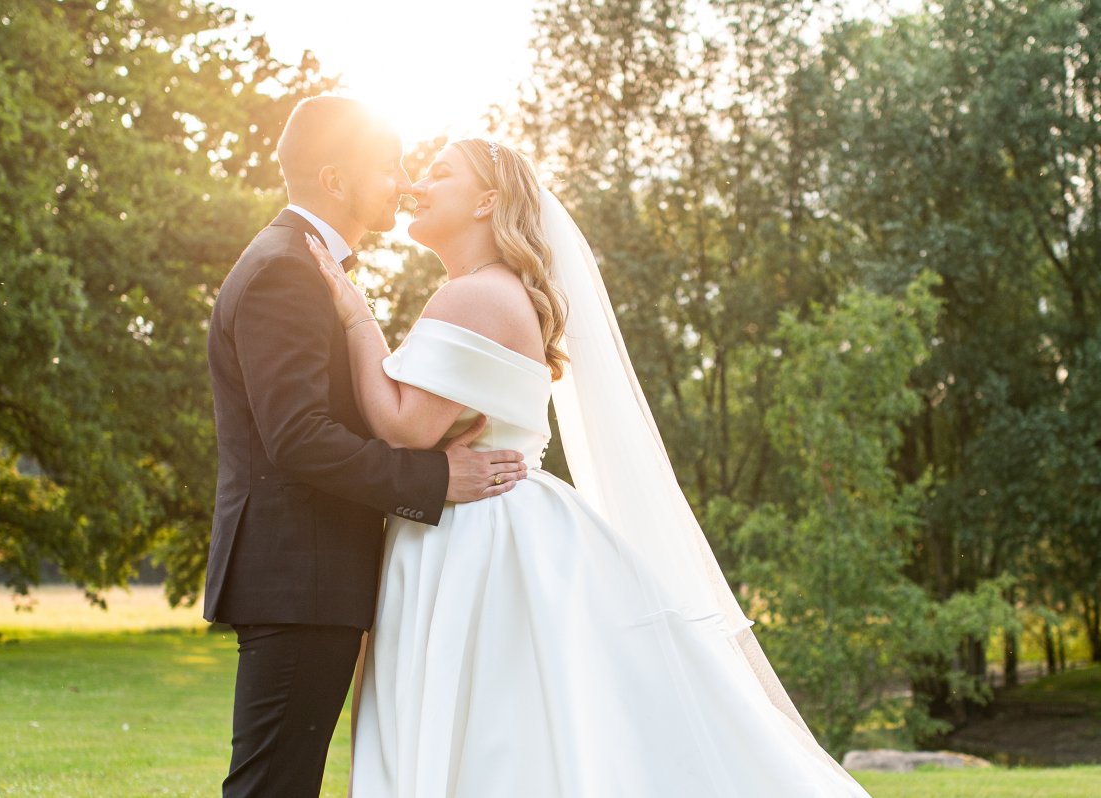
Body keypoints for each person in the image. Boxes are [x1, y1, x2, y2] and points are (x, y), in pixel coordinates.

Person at [306, 138, 873, 797]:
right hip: (486, 524)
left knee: (492, 734)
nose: (416, 184)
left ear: (488, 201)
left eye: (440, 173)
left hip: (475, 542)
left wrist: (353, 313)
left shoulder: (475, 297)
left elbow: (404, 427)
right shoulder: (488, 291)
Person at [204, 99, 528, 798]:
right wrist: (433, 475)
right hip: (299, 577)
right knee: (272, 787)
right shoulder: (286, 270)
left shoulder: (306, 266)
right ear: (336, 180)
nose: (406, 180)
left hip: (313, 577)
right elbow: (297, 438)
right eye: (391, 166)